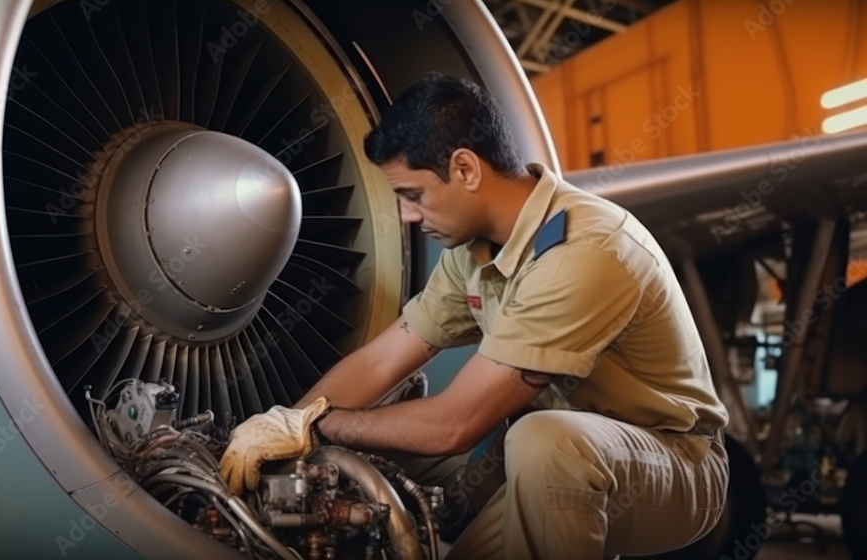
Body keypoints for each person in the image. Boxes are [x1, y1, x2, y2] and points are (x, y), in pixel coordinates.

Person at [219, 71, 730, 559]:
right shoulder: (473, 251)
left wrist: (323, 427)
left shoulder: (585, 249)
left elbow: (454, 426)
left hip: (676, 464)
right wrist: (285, 428)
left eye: (412, 195)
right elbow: (385, 359)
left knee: (542, 438)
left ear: (465, 169)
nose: (407, 216)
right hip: (567, 461)